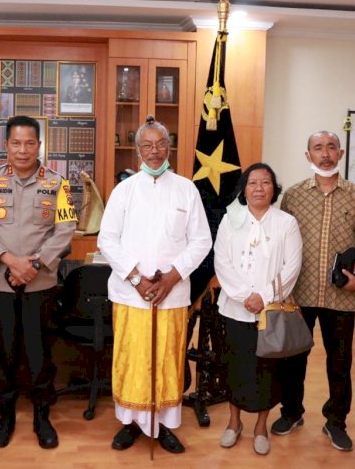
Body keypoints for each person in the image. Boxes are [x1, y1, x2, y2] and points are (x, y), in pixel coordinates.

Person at [97, 116, 212, 454]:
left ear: (169, 146)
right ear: (137, 151)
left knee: (166, 359)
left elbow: (201, 241)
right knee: (132, 358)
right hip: (131, 293)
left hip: (172, 294)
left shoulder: (186, 188)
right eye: (146, 145)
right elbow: (107, 239)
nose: (154, 151)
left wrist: (172, 278)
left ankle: (163, 426)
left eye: (160, 144)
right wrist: (136, 279)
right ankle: (130, 423)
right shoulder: (124, 190)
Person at [0, 115, 76, 449]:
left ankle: (42, 416)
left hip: (39, 285)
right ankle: (6, 416)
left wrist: (35, 263)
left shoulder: (59, 184)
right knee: (2, 354)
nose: (23, 149)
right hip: (1, 284)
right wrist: (10, 261)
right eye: (16, 143)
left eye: (30, 143)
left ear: (39, 145)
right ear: (6, 146)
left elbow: (66, 228)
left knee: (39, 352)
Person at [272, 131, 355, 451]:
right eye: (318, 148)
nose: (325, 153)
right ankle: (291, 412)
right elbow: (281, 243)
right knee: (293, 358)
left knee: (339, 363)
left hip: (340, 296)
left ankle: (336, 422)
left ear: (341, 153)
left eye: (331, 147)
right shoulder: (292, 196)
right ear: (308, 156)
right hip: (298, 295)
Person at [214, 163, 303, 456]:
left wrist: (263, 298)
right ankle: (234, 422)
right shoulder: (231, 220)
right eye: (253, 183)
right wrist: (243, 296)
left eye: (266, 183)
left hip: (272, 311)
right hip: (234, 310)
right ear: (244, 188)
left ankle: (261, 426)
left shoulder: (286, 222)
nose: (259, 188)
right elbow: (222, 262)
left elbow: (292, 267)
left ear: (274, 189)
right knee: (234, 366)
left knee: (269, 370)